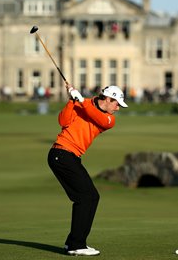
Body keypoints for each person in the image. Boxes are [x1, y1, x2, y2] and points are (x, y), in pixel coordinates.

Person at [48, 84, 128, 256]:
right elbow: (63, 121)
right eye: (116, 104)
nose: (117, 108)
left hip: (68, 157)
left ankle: (75, 243)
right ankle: (76, 244)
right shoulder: (82, 102)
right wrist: (71, 100)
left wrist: (80, 99)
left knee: (90, 197)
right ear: (108, 99)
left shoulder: (108, 120)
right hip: (61, 154)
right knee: (86, 197)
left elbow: (95, 115)